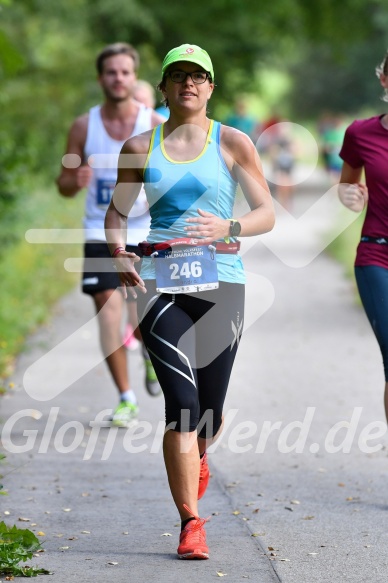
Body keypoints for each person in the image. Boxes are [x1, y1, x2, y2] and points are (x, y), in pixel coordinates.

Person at [105, 43, 274, 559]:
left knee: (210, 412)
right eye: (177, 76)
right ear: (163, 87)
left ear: (211, 87)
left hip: (222, 281)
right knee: (182, 406)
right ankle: (190, 522)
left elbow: (266, 212)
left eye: (198, 76)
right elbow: (117, 214)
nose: (188, 84)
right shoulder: (139, 146)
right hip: (159, 283)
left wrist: (230, 225)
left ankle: (196, 453)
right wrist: (118, 253)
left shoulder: (233, 142)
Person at [56, 43, 165, 427]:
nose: (118, 78)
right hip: (100, 229)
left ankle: (150, 357)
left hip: (146, 229)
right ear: (100, 77)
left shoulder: (152, 123)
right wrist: (74, 177)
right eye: (111, 72)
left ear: (134, 77)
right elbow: (64, 184)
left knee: (141, 312)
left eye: (125, 72)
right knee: (107, 309)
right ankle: (126, 397)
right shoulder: (84, 126)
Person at [338, 51, 388, 421]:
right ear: (384, 80)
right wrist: (351, 198)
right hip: (377, 257)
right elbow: (347, 186)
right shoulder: (360, 133)